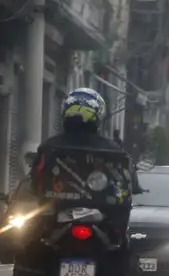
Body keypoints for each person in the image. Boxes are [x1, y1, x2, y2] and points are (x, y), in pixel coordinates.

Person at [18, 88, 139, 276]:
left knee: (31, 245)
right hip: (92, 221)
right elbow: (127, 179)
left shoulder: (51, 145)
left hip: (57, 218)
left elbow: (36, 178)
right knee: (122, 245)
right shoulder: (112, 148)